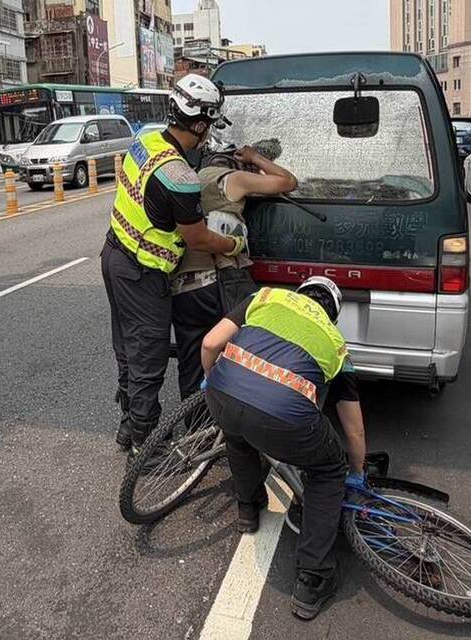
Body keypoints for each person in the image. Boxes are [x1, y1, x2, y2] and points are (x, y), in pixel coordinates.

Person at [202, 277, 367, 620]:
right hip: (283, 418)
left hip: (222, 393)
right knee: (328, 471)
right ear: (332, 315)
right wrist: (356, 472)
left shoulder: (266, 297)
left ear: (299, 294)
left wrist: (214, 382)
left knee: (237, 434)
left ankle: (248, 509)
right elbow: (354, 430)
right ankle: (313, 578)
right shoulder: (336, 344)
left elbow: (210, 342)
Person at [101, 74, 243, 452]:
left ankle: (129, 427)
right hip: (142, 271)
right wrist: (232, 243)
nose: (208, 133)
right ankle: (146, 447)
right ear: (199, 125)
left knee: (128, 350)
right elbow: (198, 238)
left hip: (114, 254)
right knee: (148, 358)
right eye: (208, 124)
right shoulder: (179, 176)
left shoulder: (145, 141)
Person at [171, 140, 298, 401]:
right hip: (220, 283)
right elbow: (288, 181)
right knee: (237, 354)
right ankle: (228, 416)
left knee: (190, 360)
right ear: (234, 162)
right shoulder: (233, 179)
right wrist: (255, 157)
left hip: (184, 287)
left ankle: (192, 419)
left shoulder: (187, 181)